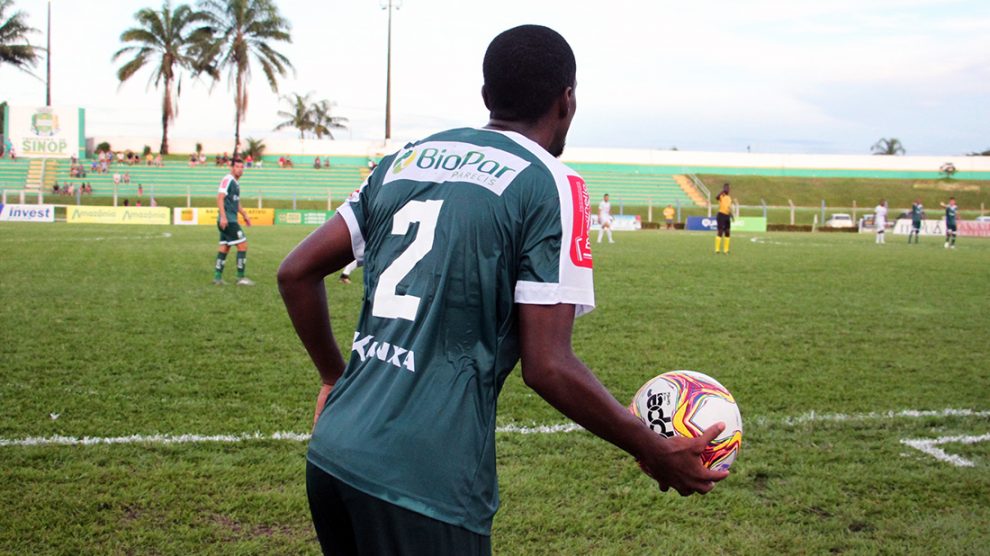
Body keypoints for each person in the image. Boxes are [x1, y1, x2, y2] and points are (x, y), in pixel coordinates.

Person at [278, 24, 726, 556]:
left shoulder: (406, 158)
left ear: (487, 96)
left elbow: (296, 271)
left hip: (333, 458)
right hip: (425, 484)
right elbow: (547, 364)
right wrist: (651, 447)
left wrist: (336, 377)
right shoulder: (551, 182)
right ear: (568, 101)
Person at [213, 157, 254, 286]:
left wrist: (245, 215)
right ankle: (240, 278)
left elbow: (236, 203)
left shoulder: (236, 183)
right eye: (237, 167)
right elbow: (220, 198)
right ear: (232, 168)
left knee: (224, 248)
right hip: (228, 221)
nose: (240, 169)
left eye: (242, 167)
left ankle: (217, 277)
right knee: (243, 245)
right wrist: (224, 217)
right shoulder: (228, 179)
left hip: (229, 219)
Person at [714, 183, 733, 254]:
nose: (728, 189)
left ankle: (726, 250)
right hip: (721, 215)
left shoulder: (729, 198)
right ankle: (717, 249)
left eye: (729, 188)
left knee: (727, 232)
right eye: (727, 188)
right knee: (720, 231)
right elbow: (716, 197)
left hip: (727, 216)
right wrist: (722, 191)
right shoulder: (722, 196)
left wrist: (731, 214)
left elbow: (728, 207)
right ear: (724, 188)